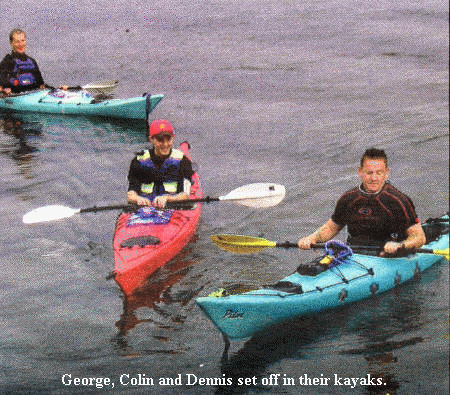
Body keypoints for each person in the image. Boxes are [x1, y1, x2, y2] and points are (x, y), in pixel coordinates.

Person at [298, 148, 426, 256]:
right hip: (353, 254)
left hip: (388, 255)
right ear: (360, 172)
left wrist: (399, 245)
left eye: (379, 173)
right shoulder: (348, 199)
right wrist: (311, 238)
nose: (374, 178)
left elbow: (419, 238)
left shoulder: (398, 201)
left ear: (386, 173)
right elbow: (331, 228)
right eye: (369, 173)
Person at [126, 119, 194, 209]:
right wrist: (137, 199)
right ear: (151, 139)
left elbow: (185, 196)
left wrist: (167, 198)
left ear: (173, 138)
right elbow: (131, 194)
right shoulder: (138, 161)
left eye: (168, 139)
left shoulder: (183, 161)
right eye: (160, 140)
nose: (165, 144)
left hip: (173, 208)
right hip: (145, 208)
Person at [0, 29, 46, 95]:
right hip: (14, 100)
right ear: (11, 43)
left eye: (22, 41)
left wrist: (57, 89)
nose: (20, 44)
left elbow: (41, 85)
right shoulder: (7, 62)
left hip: (33, 97)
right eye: (17, 41)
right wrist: (4, 90)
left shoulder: (32, 61)